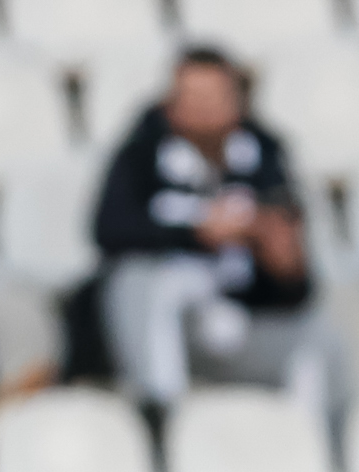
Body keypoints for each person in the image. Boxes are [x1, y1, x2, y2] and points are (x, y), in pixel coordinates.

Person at [91, 46, 321, 410]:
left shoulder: (267, 160)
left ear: (238, 102)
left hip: (238, 320)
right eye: (191, 97)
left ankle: (322, 446)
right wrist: (197, 233)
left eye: (213, 97)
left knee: (320, 340)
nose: (202, 109)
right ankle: (160, 414)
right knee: (136, 281)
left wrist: (281, 262)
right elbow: (108, 233)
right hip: (169, 318)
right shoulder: (140, 157)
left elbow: (296, 282)